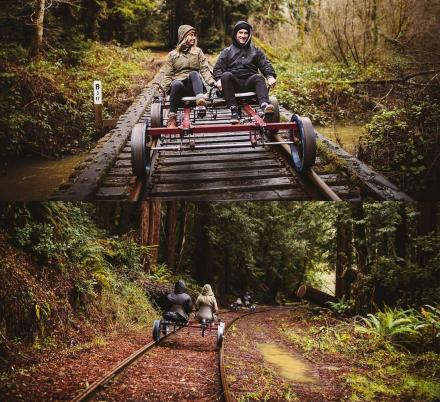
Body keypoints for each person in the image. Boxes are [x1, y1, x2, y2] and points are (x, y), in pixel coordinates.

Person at [213, 21, 277, 124]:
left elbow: (265, 64)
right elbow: (217, 69)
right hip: (233, 85)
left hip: (250, 82)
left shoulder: (256, 50)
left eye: (246, 33)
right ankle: (234, 110)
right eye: (240, 33)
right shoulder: (227, 51)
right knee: (225, 75)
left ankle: (265, 106)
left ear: (249, 35)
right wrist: (219, 79)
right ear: (235, 34)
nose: (243, 36)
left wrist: (270, 76)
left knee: (259, 77)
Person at [160, 25, 217, 128]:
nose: (194, 38)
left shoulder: (198, 52)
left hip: (194, 87)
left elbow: (204, 69)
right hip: (179, 87)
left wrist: (212, 82)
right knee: (176, 83)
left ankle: (200, 101)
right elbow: (168, 74)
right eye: (191, 35)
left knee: (194, 73)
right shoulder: (173, 55)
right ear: (183, 37)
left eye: (194, 35)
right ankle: (172, 118)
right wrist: (163, 89)